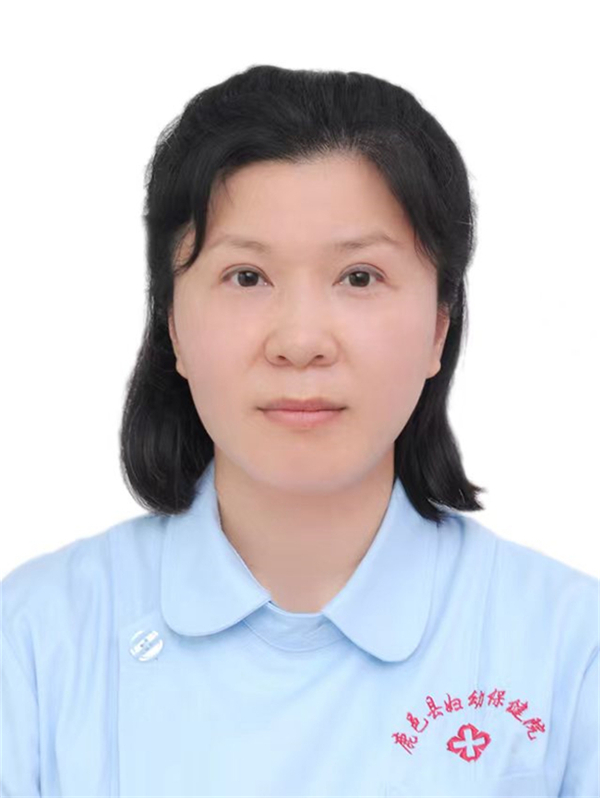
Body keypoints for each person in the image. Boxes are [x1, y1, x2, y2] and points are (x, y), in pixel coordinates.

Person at [1, 64, 598, 798]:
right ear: (173, 327)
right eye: (247, 277)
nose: (301, 341)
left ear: (439, 327)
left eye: (359, 277)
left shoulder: (572, 648)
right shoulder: (33, 640)